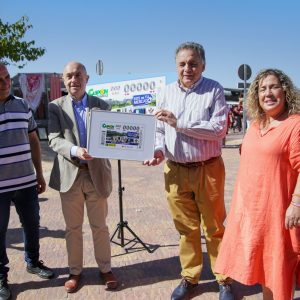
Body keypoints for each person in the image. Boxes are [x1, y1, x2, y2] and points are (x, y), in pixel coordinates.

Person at [144, 42, 234, 300]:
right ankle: (190, 277)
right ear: (176, 66)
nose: (188, 68)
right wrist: (158, 150)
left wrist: (179, 123)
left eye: (193, 63)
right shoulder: (166, 92)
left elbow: (218, 129)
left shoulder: (214, 89)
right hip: (175, 170)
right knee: (185, 228)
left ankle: (224, 278)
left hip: (208, 169)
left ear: (203, 65)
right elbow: (160, 130)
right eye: (183, 63)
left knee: (215, 228)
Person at [214, 69, 300, 300]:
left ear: (285, 91)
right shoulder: (255, 125)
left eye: (273, 87)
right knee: (263, 267)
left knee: (279, 268)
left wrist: (297, 203)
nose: (268, 93)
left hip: (279, 212)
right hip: (254, 213)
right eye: (262, 89)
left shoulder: (295, 124)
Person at [48, 61, 118, 293]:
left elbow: (112, 138)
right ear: (63, 80)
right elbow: (54, 139)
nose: (73, 80)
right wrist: (76, 151)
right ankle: (75, 272)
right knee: (73, 228)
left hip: (96, 175)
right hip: (70, 175)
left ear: (87, 78)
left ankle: (105, 269)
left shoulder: (102, 105)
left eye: (78, 75)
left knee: (100, 226)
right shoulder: (55, 107)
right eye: (68, 76)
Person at [0, 63, 54, 300]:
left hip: (25, 182)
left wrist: (39, 173)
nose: (4, 83)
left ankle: (32, 261)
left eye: (6, 78)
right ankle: (1, 277)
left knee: (32, 225)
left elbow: (33, 140)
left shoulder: (23, 105)